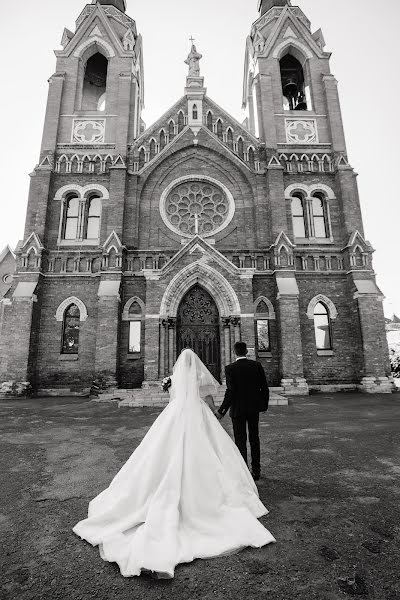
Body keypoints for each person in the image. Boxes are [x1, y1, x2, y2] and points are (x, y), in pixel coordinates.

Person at [73, 349, 275, 579]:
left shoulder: (175, 378)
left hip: (176, 414)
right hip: (197, 415)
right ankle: (213, 491)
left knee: (162, 449)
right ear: (195, 364)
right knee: (210, 450)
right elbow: (208, 397)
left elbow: (174, 396)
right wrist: (216, 412)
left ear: (179, 364)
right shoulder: (199, 377)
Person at [217, 342, 269, 481]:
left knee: (240, 440)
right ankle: (256, 471)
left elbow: (230, 392)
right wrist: (263, 405)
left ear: (234, 352)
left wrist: (221, 411)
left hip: (238, 410)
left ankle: (244, 472)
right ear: (246, 351)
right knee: (254, 439)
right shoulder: (256, 366)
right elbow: (264, 387)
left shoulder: (230, 368)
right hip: (253, 409)